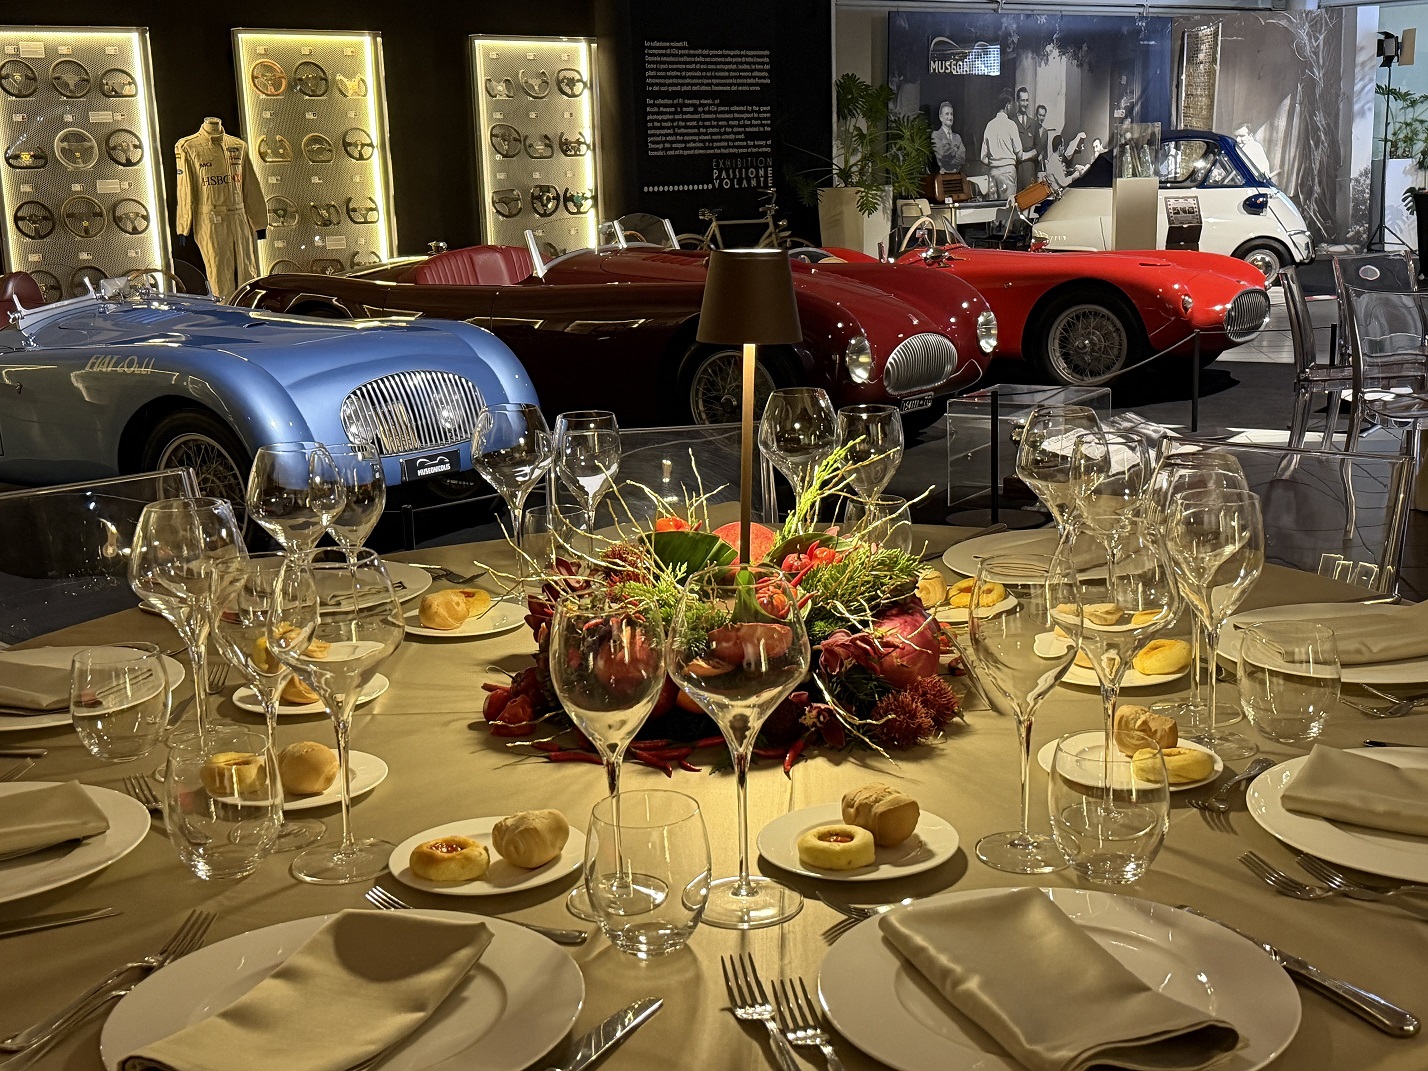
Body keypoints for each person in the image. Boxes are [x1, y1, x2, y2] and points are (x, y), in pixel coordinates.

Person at [980, 89, 1022, 199]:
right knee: (1008, 205)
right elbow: (1019, 154)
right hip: (1008, 173)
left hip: (993, 173)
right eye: (1012, 105)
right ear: (1007, 105)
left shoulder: (989, 126)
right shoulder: (1011, 125)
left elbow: (982, 157)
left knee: (993, 206)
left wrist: (994, 162)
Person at [932, 101, 966, 174]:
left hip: (957, 174)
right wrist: (955, 149)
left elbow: (962, 158)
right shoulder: (936, 135)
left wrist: (949, 157)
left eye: (951, 114)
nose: (950, 117)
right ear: (941, 117)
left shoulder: (957, 137)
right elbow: (942, 154)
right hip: (943, 175)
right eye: (947, 114)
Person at [1014, 87, 1038, 190]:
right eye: (1023, 100)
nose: (1025, 104)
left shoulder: (1033, 123)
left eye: (1027, 100)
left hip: (1030, 168)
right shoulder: (1012, 122)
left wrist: (1026, 155)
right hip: (1016, 169)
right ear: (1017, 102)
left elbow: (1038, 147)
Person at [1033, 104, 1049, 180]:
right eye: (1040, 115)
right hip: (1032, 163)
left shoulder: (1045, 132)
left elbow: (1045, 150)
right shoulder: (1032, 129)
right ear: (1036, 115)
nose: (1041, 118)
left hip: (1041, 166)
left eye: (1043, 116)